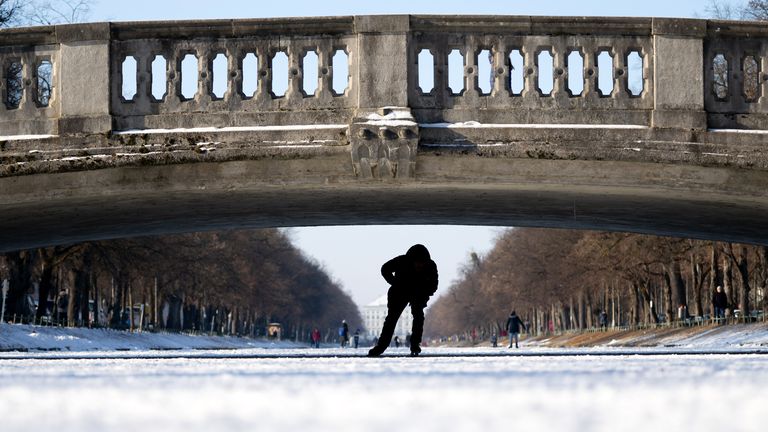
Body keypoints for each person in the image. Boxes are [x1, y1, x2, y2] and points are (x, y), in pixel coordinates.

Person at [368, 244, 438, 357]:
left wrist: (423, 295)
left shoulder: (430, 265)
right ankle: (381, 347)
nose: (420, 266)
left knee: (418, 317)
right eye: (418, 263)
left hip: (418, 293)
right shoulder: (402, 261)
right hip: (399, 292)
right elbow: (385, 269)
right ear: (412, 261)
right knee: (391, 319)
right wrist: (395, 283)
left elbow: (434, 285)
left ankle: (415, 345)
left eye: (422, 264)